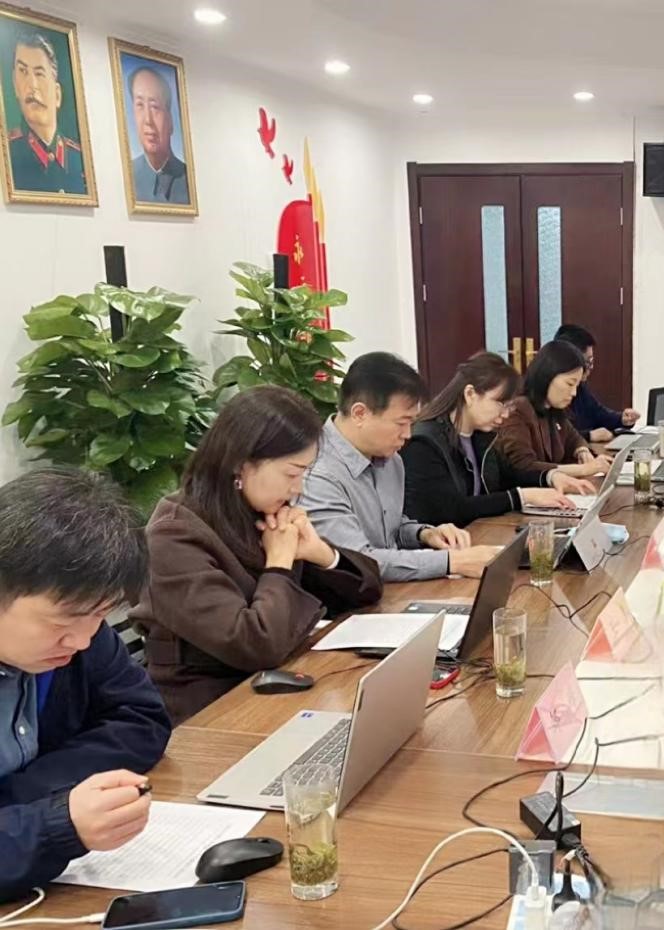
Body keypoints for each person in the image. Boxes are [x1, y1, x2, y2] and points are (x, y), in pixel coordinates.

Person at [131, 387, 383, 724]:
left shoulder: (257, 509)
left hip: (276, 682)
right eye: (291, 473)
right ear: (240, 463)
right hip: (208, 709)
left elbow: (368, 591)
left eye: (304, 473)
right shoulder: (173, 534)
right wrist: (279, 565)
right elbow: (254, 645)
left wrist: (320, 553)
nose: (298, 488)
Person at [0, 468, 172, 901]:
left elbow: (143, 720)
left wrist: (24, 798)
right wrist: (57, 825)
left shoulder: (82, 634)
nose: (80, 641)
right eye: (62, 621)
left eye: (99, 615)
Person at [301, 353, 500, 582]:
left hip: (393, 591)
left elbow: (390, 528)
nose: (407, 435)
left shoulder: (391, 460)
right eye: (401, 423)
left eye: (411, 423)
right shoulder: (317, 474)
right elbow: (357, 561)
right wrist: (452, 561)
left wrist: (425, 534)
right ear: (360, 414)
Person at [401, 351, 595, 527]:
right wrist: (521, 497)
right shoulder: (424, 443)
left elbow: (509, 475)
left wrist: (550, 477)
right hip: (445, 548)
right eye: (500, 403)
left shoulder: (481, 434)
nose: (505, 414)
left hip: (478, 533)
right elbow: (450, 509)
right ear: (470, 394)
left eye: (508, 406)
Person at [496, 341, 613, 479]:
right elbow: (523, 467)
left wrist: (582, 450)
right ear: (547, 376)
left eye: (576, 386)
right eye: (570, 383)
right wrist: (583, 469)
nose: (574, 393)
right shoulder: (517, 410)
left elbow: (573, 438)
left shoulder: (553, 409)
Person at [7, 32, 85, 195]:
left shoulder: (80, 159)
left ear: (57, 94)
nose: (32, 85)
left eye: (39, 73)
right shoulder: (7, 153)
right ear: (15, 85)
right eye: (23, 72)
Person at [554, 324, 641, 443]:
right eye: (587, 362)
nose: (591, 367)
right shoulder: (552, 396)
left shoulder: (580, 388)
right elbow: (556, 437)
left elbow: (598, 414)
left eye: (592, 361)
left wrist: (622, 419)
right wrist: (589, 435)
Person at [127, 66, 189, 204]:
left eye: (155, 107)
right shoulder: (126, 175)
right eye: (140, 105)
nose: (148, 120)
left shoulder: (189, 179)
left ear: (170, 120)